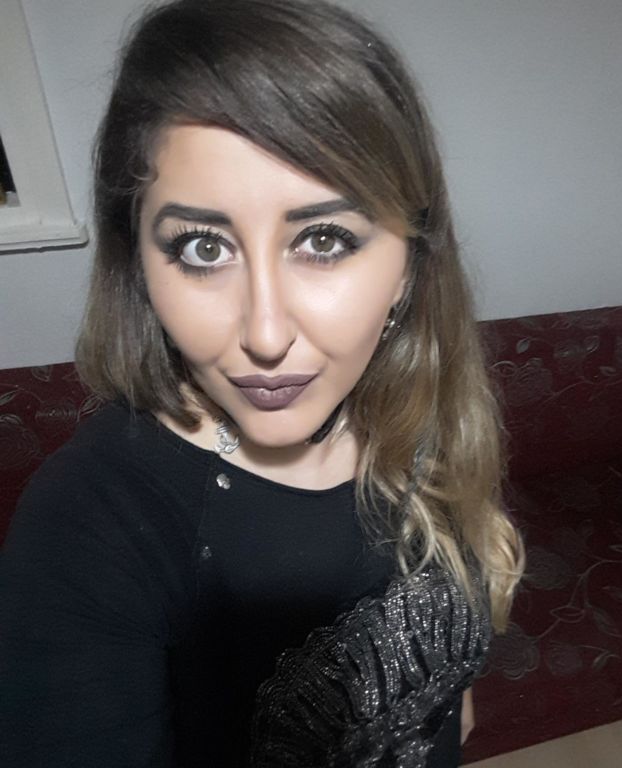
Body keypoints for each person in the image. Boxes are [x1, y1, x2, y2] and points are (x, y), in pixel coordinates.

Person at [0, 0, 523, 765]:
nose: (266, 335)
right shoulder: (91, 526)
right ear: (139, 265)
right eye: (203, 248)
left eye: (324, 239)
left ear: (409, 267)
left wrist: (449, 692)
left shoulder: (414, 406)